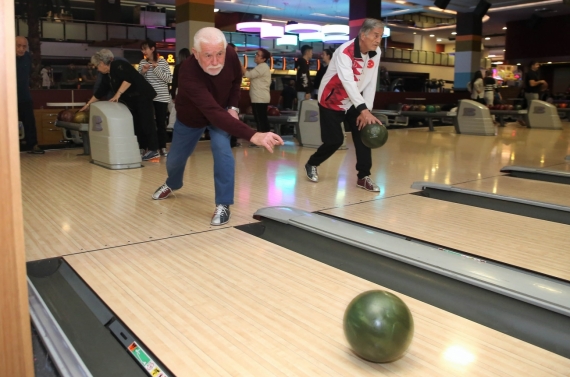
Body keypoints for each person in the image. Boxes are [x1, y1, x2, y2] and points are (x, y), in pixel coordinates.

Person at [151, 27, 284, 226]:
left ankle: (223, 204)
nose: (215, 61)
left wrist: (232, 106)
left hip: (221, 113)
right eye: (208, 55)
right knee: (175, 160)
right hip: (191, 118)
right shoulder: (187, 72)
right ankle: (173, 183)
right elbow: (211, 111)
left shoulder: (229, 55)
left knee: (223, 153)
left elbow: (236, 80)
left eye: (219, 54)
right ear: (195, 54)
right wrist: (253, 135)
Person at [304, 18, 384, 192]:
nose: (378, 40)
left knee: (364, 133)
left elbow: (371, 82)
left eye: (381, 36)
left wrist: (366, 112)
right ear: (363, 35)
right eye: (376, 35)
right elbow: (348, 82)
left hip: (354, 101)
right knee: (334, 141)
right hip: (330, 101)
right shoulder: (344, 52)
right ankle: (312, 163)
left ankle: (363, 176)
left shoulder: (376, 52)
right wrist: (363, 109)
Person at [80, 49, 160, 161]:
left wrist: (118, 94)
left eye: (97, 66)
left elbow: (128, 78)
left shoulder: (118, 65)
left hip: (142, 96)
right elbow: (100, 92)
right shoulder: (107, 76)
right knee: (136, 124)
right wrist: (88, 104)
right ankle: (142, 148)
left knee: (147, 122)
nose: (96, 68)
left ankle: (153, 150)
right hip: (132, 100)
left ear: (102, 63)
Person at [139, 38, 172, 156]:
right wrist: (143, 72)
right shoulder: (143, 63)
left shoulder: (162, 62)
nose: (144, 51)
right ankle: (145, 147)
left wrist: (156, 68)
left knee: (161, 123)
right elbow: (138, 81)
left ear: (152, 49)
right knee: (147, 123)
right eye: (142, 49)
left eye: (145, 48)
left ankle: (162, 147)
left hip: (162, 97)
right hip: (148, 97)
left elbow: (169, 79)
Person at [16, 36, 44, 154]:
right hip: (8, 95)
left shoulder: (27, 57)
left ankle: (33, 145)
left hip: (24, 94)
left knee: (29, 120)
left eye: (24, 46)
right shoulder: (5, 55)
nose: (22, 49)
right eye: (18, 46)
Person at [242, 48, 271, 134]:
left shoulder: (262, 67)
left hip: (259, 98)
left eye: (258, 55)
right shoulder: (262, 67)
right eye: (256, 54)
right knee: (262, 119)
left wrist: (239, 64)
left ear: (263, 59)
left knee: (260, 120)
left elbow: (248, 74)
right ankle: (266, 139)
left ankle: (263, 140)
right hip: (261, 97)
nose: (256, 56)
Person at [168, 48, 191, 129]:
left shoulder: (178, 67)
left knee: (175, 108)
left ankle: (172, 125)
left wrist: (173, 95)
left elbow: (174, 82)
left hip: (179, 90)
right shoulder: (192, 67)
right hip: (190, 91)